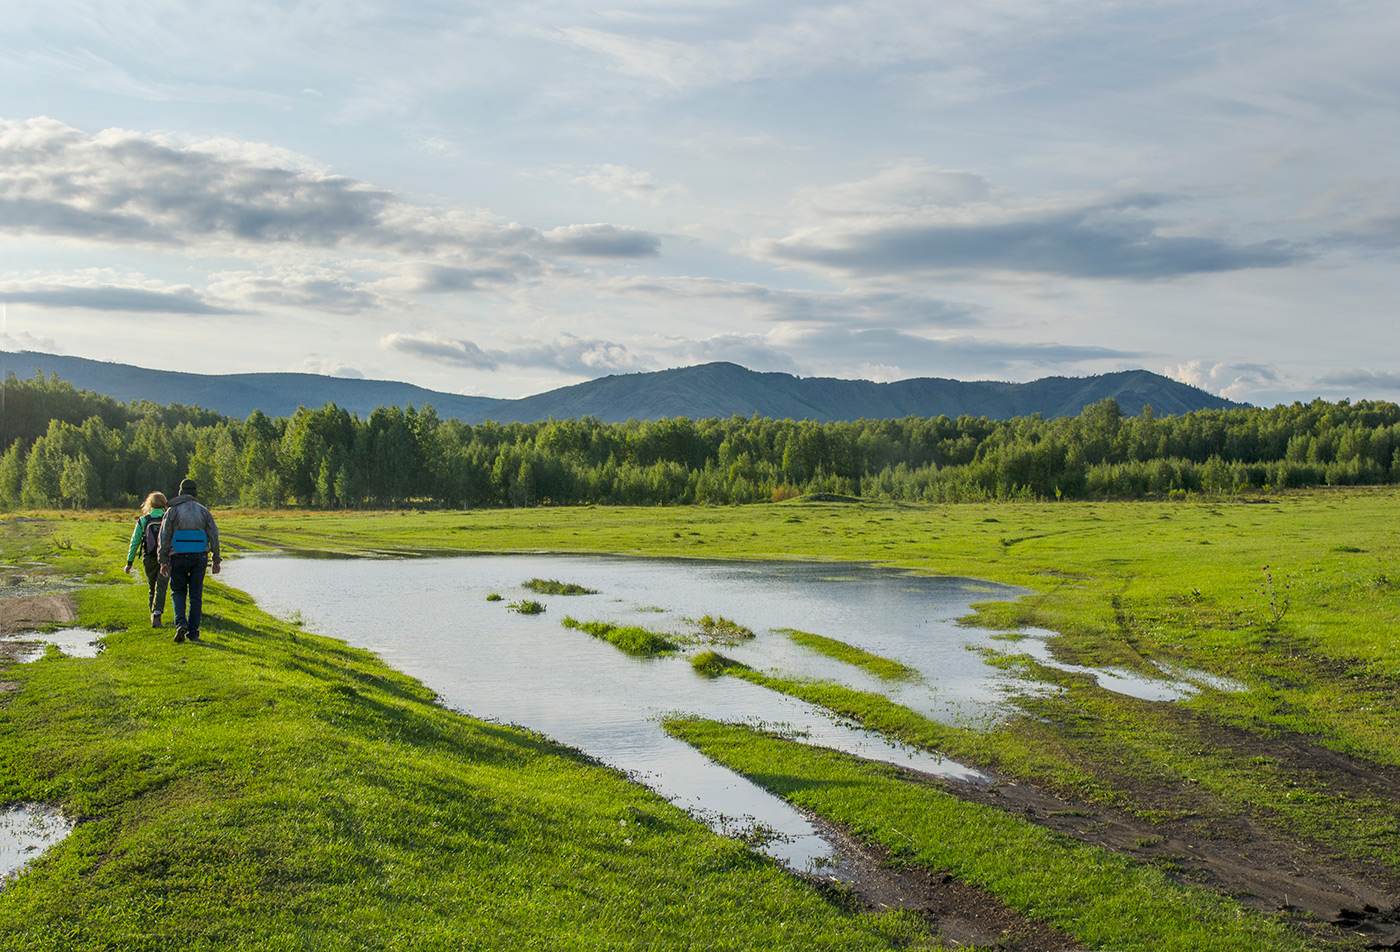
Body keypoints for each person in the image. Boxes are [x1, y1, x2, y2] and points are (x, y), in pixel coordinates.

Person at [158, 477, 221, 644]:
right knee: (195, 595)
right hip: (199, 557)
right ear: (195, 494)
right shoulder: (204, 511)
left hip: (177, 556)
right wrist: (216, 559)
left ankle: (180, 624)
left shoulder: (172, 512)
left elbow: (164, 537)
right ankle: (193, 633)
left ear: (180, 493)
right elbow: (214, 535)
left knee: (178, 591)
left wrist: (163, 561)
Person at [124, 491, 169, 627]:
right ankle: (157, 613)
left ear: (149, 504)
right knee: (161, 586)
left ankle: (153, 612)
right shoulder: (168, 519)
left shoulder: (143, 520)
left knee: (152, 586)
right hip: (165, 559)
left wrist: (129, 562)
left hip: (148, 557)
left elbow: (135, 542)